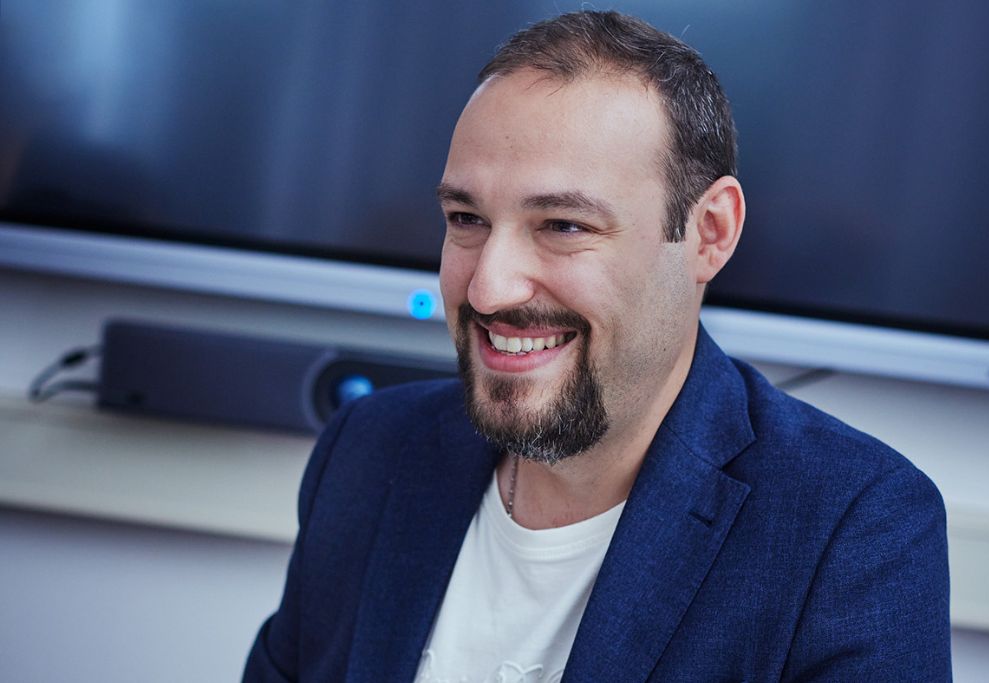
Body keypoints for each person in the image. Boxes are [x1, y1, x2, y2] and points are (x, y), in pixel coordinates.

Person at [244, 10, 950, 682]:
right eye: (466, 218)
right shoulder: (366, 453)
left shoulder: (853, 528)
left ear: (709, 233)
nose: (488, 288)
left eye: (563, 225)